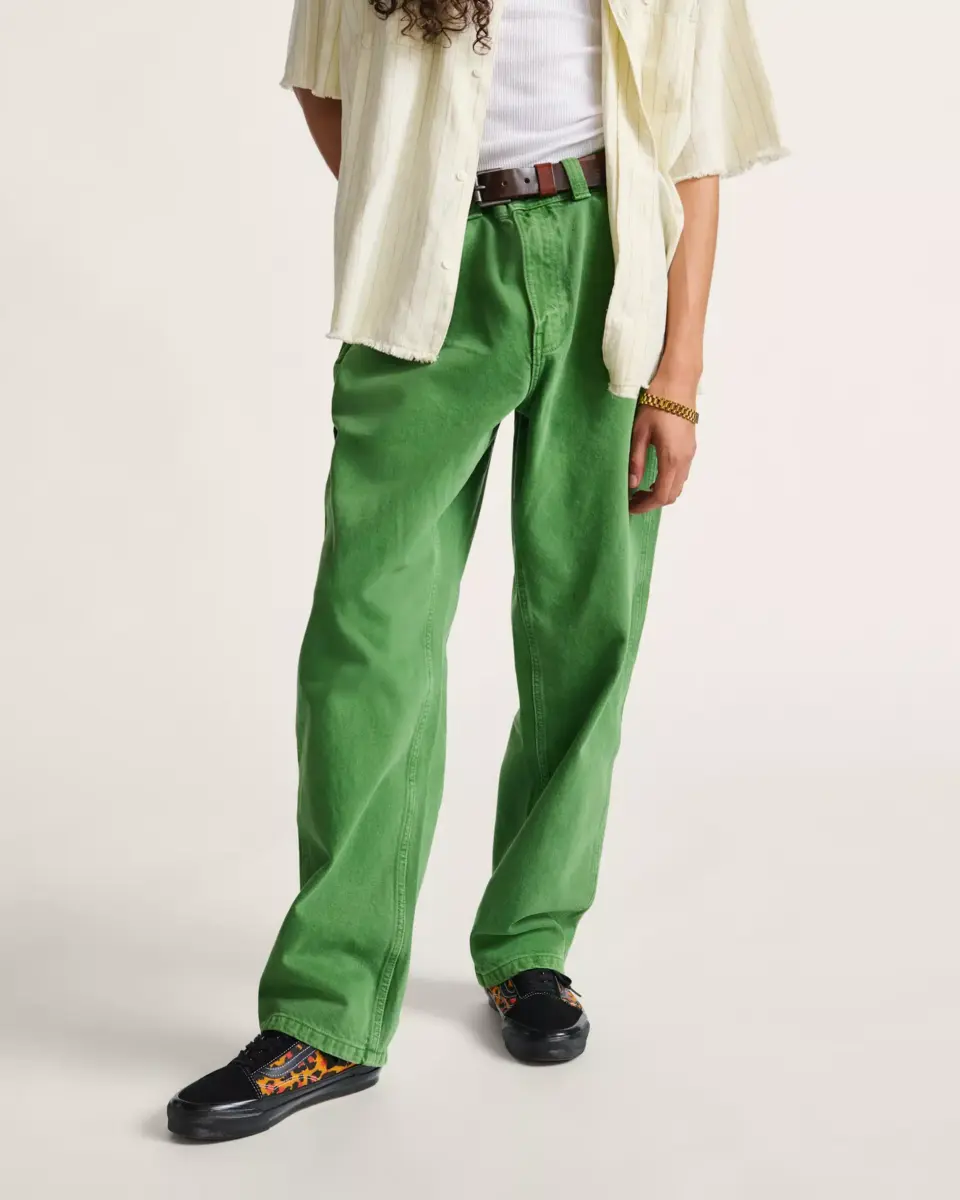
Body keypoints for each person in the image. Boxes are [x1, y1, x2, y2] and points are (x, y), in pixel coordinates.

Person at [167, 0, 786, 1142]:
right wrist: (413, 212)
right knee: (367, 639)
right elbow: (323, 84)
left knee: (586, 630)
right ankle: (327, 1013)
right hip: (431, 278)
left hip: (612, 262)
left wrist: (681, 374)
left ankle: (529, 945)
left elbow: (697, 142)